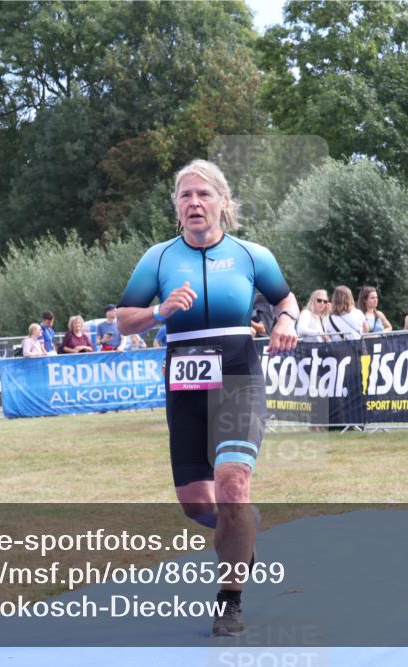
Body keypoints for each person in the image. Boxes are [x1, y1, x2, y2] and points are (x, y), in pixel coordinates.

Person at [116, 159, 298, 637]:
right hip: (184, 384)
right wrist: (159, 311)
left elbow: (285, 299)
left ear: (223, 202)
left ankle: (229, 602)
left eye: (203, 194)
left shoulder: (251, 254)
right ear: (176, 208)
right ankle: (242, 528)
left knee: (233, 485)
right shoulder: (157, 259)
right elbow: (124, 320)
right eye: (185, 196)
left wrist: (285, 322)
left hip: (239, 375)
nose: (194, 203)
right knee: (198, 503)